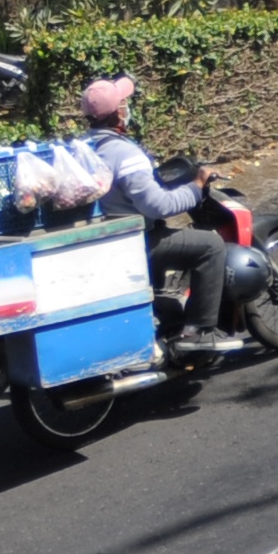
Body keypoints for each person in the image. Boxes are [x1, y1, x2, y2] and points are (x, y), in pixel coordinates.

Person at [80, 75, 243, 355]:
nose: (127, 108)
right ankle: (199, 331)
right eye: (124, 103)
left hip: (104, 238)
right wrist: (197, 186)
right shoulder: (125, 154)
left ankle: (168, 317)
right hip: (136, 241)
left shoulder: (84, 148)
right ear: (117, 113)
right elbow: (159, 207)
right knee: (210, 245)